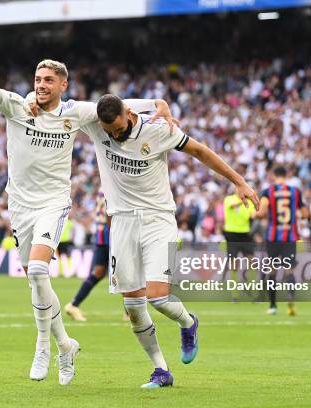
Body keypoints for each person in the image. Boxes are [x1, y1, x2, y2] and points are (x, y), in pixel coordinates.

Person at [0, 28, 175, 385]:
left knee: (36, 271)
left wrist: (157, 105)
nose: (41, 84)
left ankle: (43, 345)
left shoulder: (76, 112)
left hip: (53, 203)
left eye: (48, 79)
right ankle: (66, 344)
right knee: (36, 282)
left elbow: (116, 106)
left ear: (63, 84)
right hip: (19, 206)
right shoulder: (17, 106)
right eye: (37, 79)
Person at [80, 94, 258, 388]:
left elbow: (200, 152)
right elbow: (63, 104)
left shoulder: (158, 128)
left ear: (129, 114)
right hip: (122, 221)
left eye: (119, 129)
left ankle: (188, 322)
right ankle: (161, 370)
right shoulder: (96, 124)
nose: (114, 135)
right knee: (134, 308)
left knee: (158, 298)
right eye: (108, 131)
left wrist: (239, 181)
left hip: (158, 218)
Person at [254, 166, 309, 316]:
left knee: (272, 271)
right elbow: (305, 214)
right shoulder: (295, 192)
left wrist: (255, 214)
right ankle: (290, 297)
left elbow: (262, 211)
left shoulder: (269, 191)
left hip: (273, 237)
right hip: (290, 236)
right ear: (286, 175)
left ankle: (272, 306)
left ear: (273, 176)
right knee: (289, 270)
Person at [65, 189, 110, 321]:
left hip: (102, 235)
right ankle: (130, 312)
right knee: (124, 272)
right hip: (110, 235)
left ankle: (73, 305)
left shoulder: (104, 187)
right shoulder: (113, 184)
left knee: (99, 272)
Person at [222, 191, 256, 302]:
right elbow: (232, 206)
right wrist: (244, 201)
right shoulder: (229, 199)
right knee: (234, 265)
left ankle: (254, 293)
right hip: (232, 234)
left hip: (245, 234)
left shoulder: (250, 203)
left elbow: (253, 215)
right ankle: (235, 295)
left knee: (252, 262)